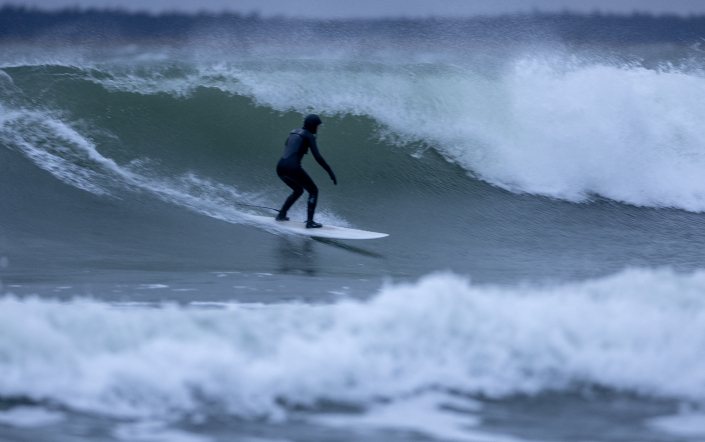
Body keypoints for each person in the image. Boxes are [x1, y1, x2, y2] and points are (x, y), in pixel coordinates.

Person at [275, 114, 337, 228]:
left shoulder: (293, 132)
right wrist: (329, 171)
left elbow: (288, 145)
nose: (318, 128)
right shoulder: (309, 136)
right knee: (313, 191)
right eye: (318, 125)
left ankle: (281, 214)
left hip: (280, 167)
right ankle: (310, 222)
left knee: (298, 190)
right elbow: (317, 156)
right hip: (292, 168)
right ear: (313, 125)